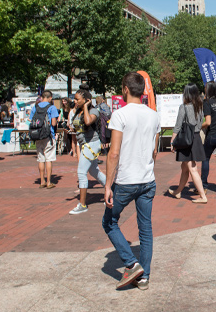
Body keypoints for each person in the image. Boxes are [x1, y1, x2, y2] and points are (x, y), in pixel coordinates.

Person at [102, 72, 160, 290]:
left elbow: (113, 153)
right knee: (145, 228)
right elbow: (154, 151)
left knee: (109, 222)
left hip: (126, 181)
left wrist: (108, 185)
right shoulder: (153, 115)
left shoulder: (120, 115)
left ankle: (131, 262)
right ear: (143, 90)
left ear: (125, 88)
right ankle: (144, 276)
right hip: (147, 179)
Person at [69, 86, 106, 215]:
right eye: (74, 99)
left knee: (81, 172)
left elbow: (88, 121)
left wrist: (85, 107)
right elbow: (77, 127)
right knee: (94, 172)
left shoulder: (94, 111)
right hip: (84, 144)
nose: (75, 101)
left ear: (86, 100)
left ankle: (83, 204)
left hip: (91, 144)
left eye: (77, 99)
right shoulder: (77, 111)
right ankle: (112, 190)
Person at [168, 83, 207, 203]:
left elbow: (178, 126)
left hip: (186, 139)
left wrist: (172, 141)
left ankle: (202, 196)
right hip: (195, 137)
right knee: (184, 167)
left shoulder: (184, 106)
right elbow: (200, 124)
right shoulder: (200, 106)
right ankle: (178, 191)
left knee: (191, 167)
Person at [29, 90, 59, 188]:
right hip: (48, 135)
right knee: (48, 159)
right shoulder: (52, 107)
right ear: (50, 98)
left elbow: (31, 119)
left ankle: (42, 181)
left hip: (37, 135)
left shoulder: (36, 107)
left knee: (40, 159)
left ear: (42, 97)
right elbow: (54, 123)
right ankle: (49, 182)